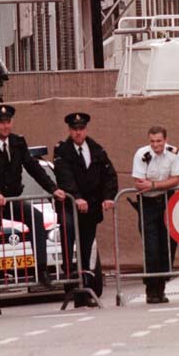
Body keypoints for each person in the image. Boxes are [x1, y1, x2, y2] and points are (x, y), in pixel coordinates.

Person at [0, 104, 66, 315]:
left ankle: (41, 270)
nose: (5, 126)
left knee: (36, 216)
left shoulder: (17, 142)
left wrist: (53, 188)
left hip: (11, 199)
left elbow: (33, 167)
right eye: (1, 122)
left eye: (8, 122)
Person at [53, 112, 118, 307]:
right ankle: (72, 288)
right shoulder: (62, 151)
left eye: (81, 129)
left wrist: (108, 197)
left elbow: (110, 174)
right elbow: (64, 177)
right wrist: (77, 197)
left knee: (87, 249)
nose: (78, 132)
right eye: (74, 129)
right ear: (70, 130)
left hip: (90, 209)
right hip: (71, 207)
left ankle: (85, 291)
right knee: (70, 245)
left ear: (85, 129)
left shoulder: (96, 149)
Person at [131, 126, 179, 304]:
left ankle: (161, 288)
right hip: (147, 204)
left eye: (159, 141)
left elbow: (176, 179)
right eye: (152, 141)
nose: (156, 145)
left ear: (165, 140)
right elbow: (139, 183)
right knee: (151, 248)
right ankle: (151, 290)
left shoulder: (173, 153)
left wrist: (153, 185)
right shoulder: (142, 154)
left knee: (168, 246)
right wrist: (159, 184)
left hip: (168, 202)